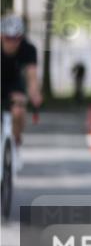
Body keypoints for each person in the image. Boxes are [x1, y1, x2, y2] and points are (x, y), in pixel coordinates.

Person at [1, 15, 42, 147]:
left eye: (16, 38)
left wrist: (34, 94)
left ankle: (16, 138)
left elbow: (32, 76)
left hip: (15, 82)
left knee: (18, 109)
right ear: (1, 36)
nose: (12, 42)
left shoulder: (28, 49)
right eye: (8, 38)